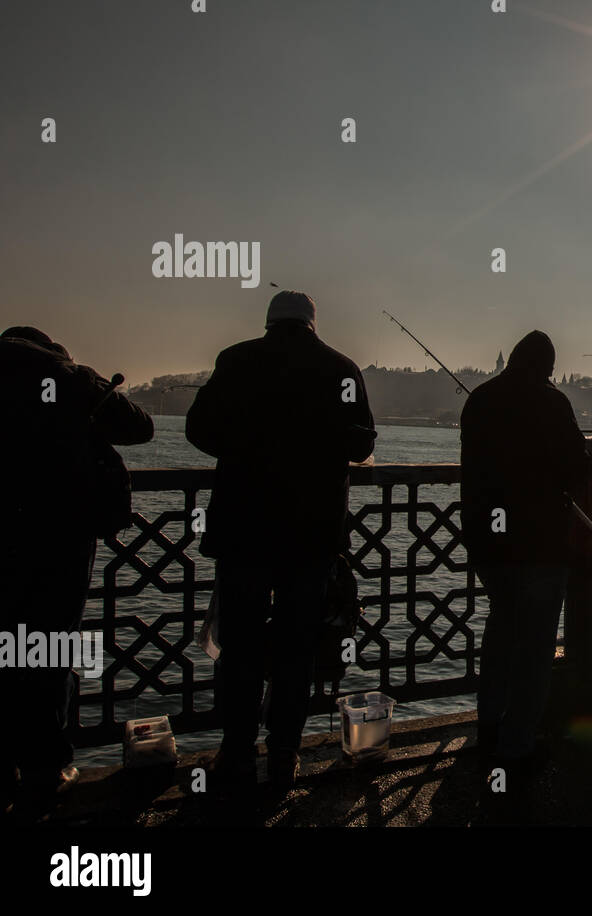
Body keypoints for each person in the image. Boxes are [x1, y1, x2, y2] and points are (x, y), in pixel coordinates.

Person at [186, 291, 375, 791]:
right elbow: (362, 444)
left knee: (241, 641)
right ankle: (284, 752)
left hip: (243, 528)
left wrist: (244, 445)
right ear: (312, 323)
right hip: (310, 534)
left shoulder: (237, 359)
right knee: (297, 644)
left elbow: (198, 428)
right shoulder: (341, 369)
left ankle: (236, 749)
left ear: (270, 322)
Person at [0, 327, 153, 812]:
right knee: (47, 644)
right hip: (57, 538)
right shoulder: (69, 378)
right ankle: (46, 769)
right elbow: (139, 428)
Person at [460, 330, 589, 769]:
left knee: (501, 629)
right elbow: (578, 470)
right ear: (548, 368)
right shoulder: (554, 404)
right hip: (541, 543)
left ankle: (487, 724)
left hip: (489, 541)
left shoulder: (479, 399)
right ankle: (517, 742)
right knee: (535, 644)